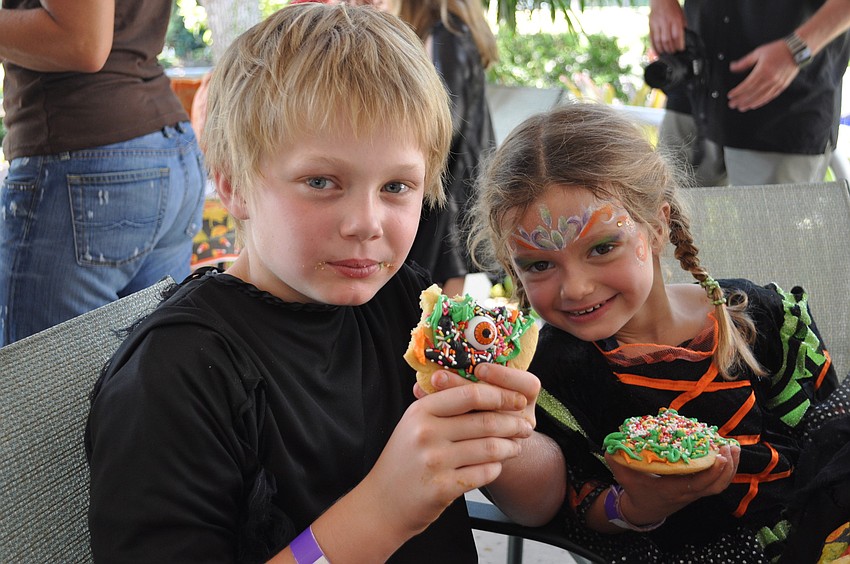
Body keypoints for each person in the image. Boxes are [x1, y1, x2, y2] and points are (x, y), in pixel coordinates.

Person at [85, 5, 560, 562]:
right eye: (321, 181)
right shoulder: (174, 375)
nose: (366, 222)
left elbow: (541, 502)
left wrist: (505, 436)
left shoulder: (408, 306)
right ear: (234, 185)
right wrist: (384, 509)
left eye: (396, 187)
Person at [468, 102, 846, 561]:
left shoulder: (761, 319)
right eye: (539, 264)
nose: (576, 287)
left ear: (658, 226)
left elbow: (830, 437)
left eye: (603, 247)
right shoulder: (548, 378)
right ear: (512, 267)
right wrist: (635, 507)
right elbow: (574, 498)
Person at [0, 0, 206, 347]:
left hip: (85, 160)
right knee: (149, 380)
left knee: (42, 395)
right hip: (166, 150)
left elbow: (82, 42)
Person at [648, 0, 850, 186]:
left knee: (770, 225)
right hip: (692, 80)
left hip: (783, 106)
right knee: (665, 219)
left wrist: (796, 49)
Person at [394, 0, 499, 297]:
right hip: (459, 179)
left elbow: (449, 118)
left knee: (435, 300)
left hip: (449, 185)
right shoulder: (455, 32)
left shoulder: (448, 35)